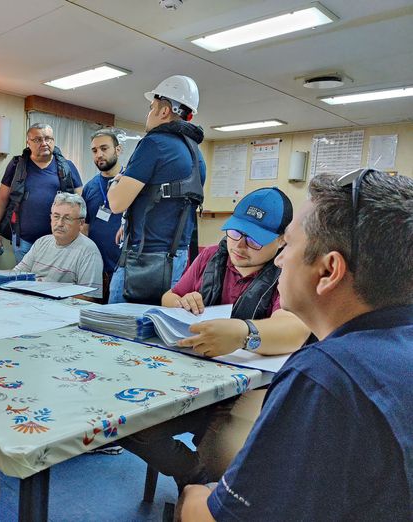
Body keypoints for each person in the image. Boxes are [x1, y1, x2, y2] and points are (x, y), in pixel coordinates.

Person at [179, 170, 413, 521]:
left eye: (288, 245)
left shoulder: (324, 377)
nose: (279, 260)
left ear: (329, 270)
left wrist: (192, 497)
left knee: (194, 498)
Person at [132, 187, 310, 482]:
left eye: (255, 240)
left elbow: (294, 329)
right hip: (195, 375)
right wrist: (182, 303)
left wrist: (243, 333)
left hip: (253, 386)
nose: (240, 246)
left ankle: (204, 487)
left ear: (281, 241)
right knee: (133, 424)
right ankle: (193, 477)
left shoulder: (287, 269)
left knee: (225, 456)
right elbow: (169, 297)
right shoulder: (212, 257)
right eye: (236, 233)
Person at [108, 75, 206, 304]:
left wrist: (117, 181)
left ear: (164, 111)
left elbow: (116, 204)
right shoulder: (196, 155)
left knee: (115, 333)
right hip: (179, 259)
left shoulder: (154, 143)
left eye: (151, 107)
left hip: (143, 261)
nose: (148, 113)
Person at [0, 192, 103, 299]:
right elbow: (17, 275)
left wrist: (46, 294)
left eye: (67, 218)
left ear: (81, 223)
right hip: (31, 303)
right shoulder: (42, 242)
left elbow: (90, 297)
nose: (59, 223)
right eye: (56, 216)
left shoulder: (89, 252)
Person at [0, 123, 83, 262]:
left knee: (53, 282)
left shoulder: (67, 166)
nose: (44, 143)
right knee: (24, 282)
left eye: (48, 139)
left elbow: (80, 202)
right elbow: (2, 199)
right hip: (24, 241)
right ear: (28, 143)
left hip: (58, 242)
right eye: (38, 139)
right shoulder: (16, 166)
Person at [82, 129, 124, 302]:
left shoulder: (131, 183)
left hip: (124, 268)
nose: (99, 154)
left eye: (104, 148)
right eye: (94, 150)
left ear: (118, 150)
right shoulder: (90, 187)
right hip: (96, 270)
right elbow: (85, 227)